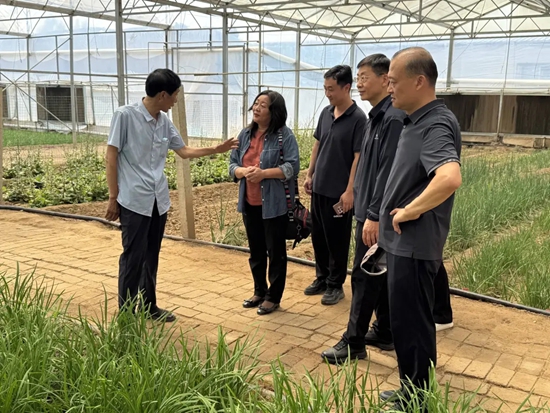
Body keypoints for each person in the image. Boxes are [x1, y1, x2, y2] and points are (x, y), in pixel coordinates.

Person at [105, 68, 237, 322]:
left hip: (158, 201)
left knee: (151, 255)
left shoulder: (164, 121)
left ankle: (148, 306)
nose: (176, 100)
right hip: (134, 200)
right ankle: (126, 314)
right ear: (163, 95)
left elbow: (183, 151)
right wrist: (113, 197)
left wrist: (216, 149)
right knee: (133, 257)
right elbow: (111, 157)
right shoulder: (125, 116)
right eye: (175, 95)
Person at [377, 47, 462, 408]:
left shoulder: (435, 124)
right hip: (404, 244)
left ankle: (418, 400)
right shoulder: (416, 120)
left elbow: (449, 177)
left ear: (419, 81)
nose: (389, 88)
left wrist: (408, 211)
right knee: (406, 323)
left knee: (413, 325)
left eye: (394, 81)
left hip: (413, 244)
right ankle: (410, 388)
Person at [320, 54, 404, 364]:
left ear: (385, 79)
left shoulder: (392, 119)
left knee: (363, 275)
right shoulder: (377, 117)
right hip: (369, 210)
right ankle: (385, 330)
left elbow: (388, 172)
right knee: (377, 272)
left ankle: (353, 341)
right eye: (358, 78)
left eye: (365, 77)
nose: (359, 83)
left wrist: (373, 215)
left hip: (376, 215)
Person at [229, 90, 299, 316]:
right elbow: (232, 164)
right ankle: (259, 291)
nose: (257, 108)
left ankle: (273, 297)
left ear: (274, 111)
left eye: (263, 105)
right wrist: (241, 171)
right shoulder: (245, 134)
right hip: (249, 202)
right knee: (256, 250)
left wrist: (263, 174)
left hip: (274, 205)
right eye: (256, 103)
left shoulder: (284, 136)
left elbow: (292, 167)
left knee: (275, 252)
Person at [303, 65, 367, 306]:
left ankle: (335, 284)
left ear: (346, 87)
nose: (327, 93)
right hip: (319, 188)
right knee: (318, 235)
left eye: (331, 89)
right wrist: (310, 174)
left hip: (339, 194)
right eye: (325, 88)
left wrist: (350, 191)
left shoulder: (358, 119)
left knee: (337, 239)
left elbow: (358, 158)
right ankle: (321, 277)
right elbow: (318, 145)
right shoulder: (326, 113)